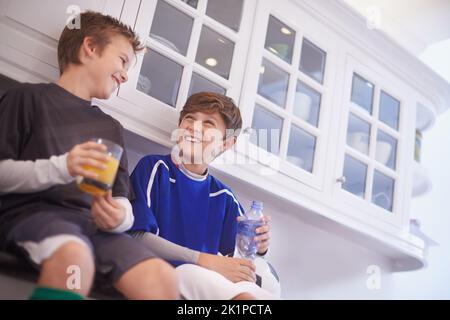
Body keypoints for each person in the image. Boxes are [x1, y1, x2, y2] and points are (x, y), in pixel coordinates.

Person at [0, 11, 178, 300]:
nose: (125, 74)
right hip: (33, 216)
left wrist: (118, 217)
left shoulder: (111, 127)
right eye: (122, 60)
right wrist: (62, 167)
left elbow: (122, 200)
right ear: (90, 48)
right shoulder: (27, 99)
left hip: (95, 229)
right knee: (75, 263)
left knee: (162, 279)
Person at [129, 92, 277, 300]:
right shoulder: (156, 168)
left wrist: (260, 247)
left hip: (207, 283)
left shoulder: (224, 197)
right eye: (189, 118)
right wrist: (203, 260)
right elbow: (135, 236)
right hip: (169, 275)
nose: (194, 127)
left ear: (227, 143)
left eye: (208, 123)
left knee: (268, 291)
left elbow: (240, 258)